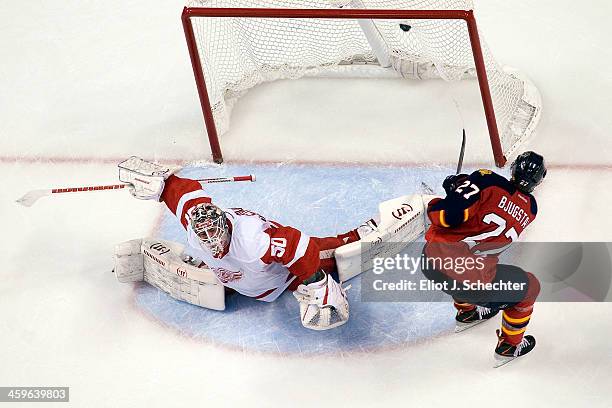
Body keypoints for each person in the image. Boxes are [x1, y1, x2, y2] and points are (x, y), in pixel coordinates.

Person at [118, 156, 376, 330]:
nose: (211, 245)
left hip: (282, 278)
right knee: (228, 269)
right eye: (204, 239)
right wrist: (163, 183)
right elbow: (183, 194)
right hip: (241, 277)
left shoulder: (254, 241)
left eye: (215, 237)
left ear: (226, 227)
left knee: (330, 253)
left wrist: (316, 281)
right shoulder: (196, 225)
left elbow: (298, 246)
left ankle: (361, 235)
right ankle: (222, 280)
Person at [421, 151, 546, 366]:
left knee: (460, 261)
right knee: (529, 286)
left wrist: (454, 191)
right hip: (472, 281)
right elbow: (500, 205)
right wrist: (464, 188)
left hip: (431, 262)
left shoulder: (486, 179)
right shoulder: (531, 209)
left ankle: (467, 313)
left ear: (514, 169)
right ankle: (509, 346)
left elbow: (447, 216)